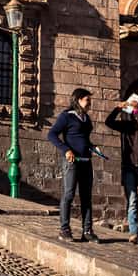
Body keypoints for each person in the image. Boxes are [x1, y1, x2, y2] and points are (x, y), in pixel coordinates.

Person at [48, 88, 100, 243]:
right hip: (72, 161)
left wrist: (93, 147)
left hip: (86, 161)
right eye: (87, 100)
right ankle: (64, 230)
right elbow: (52, 134)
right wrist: (66, 150)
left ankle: (87, 231)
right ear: (78, 100)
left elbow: (84, 139)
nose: (90, 103)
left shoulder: (86, 118)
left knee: (86, 197)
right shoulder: (67, 116)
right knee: (69, 194)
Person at [105, 94, 138, 245]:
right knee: (132, 199)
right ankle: (134, 233)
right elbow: (109, 122)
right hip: (130, 166)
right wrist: (117, 109)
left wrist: (137, 110)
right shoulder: (128, 126)